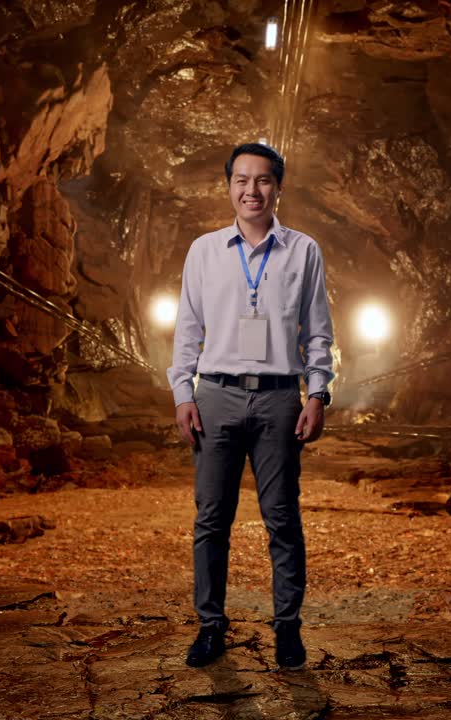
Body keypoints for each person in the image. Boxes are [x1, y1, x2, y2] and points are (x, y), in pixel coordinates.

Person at [166, 142, 335, 669]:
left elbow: (318, 333)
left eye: (262, 180)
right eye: (241, 180)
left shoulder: (303, 251)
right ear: (229, 188)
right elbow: (187, 328)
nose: (251, 190)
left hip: (279, 398)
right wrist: (183, 393)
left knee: (281, 517)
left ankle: (287, 628)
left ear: (278, 187)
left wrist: (317, 393)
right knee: (211, 519)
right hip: (215, 395)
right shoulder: (204, 251)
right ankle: (210, 626)